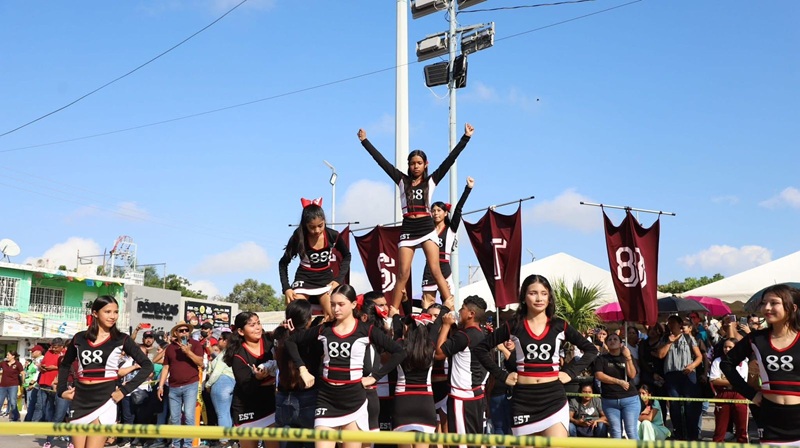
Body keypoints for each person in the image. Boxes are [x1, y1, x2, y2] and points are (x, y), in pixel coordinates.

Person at [358, 123, 475, 311]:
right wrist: (365, 141)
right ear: (408, 165)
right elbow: (382, 162)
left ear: (425, 164)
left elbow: (450, 160)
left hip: (426, 226)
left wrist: (465, 138)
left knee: (436, 270)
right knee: (402, 274)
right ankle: (392, 313)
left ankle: (451, 310)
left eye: (419, 163)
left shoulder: (431, 181)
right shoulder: (401, 180)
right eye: (412, 163)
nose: (416, 166)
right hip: (408, 228)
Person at [474, 275, 598, 437]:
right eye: (533, 293)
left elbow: (591, 350)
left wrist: (570, 373)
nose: (539, 298)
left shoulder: (559, 325)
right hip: (523, 401)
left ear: (549, 298)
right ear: (524, 297)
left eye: (544, 293)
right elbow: (481, 349)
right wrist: (502, 375)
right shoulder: (514, 325)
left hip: (553, 399)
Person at [286, 284, 405, 448]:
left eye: (341, 304)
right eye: (333, 304)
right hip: (326, 399)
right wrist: (302, 369)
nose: (336, 309)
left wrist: (374, 377)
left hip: (354, 400)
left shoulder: (366, 330)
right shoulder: (324, 329)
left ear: (353, 304)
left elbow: (399, 352)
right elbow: (291, 341)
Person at [57, 295, 153, 448]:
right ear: (95, 313)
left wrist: (124, 391)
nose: (113, 316)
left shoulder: (122, 339)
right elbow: (65, 364)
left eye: (116, 312)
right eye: (107, 312)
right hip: (80, 398)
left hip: (106, 398)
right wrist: (61, 390)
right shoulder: (79, 338)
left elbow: (147, 366)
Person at [721, 284, 800, 445]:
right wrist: (751, 394)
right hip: (770, 417)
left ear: (793, 307)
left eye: (774, 303)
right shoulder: (756, 338)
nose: (767, 308)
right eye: (764, 303)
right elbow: (726, 364)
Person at [279, 200, 351, 321]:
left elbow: (347, 256)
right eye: (312, 227)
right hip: (304, 279)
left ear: (324, 222)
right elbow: (283, 263)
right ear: (305, 225)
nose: (317, 230)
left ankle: (321, 332)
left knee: (333, 316)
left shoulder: (333, 235)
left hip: (325, 280)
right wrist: (286, 288)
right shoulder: (298, 237)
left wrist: (338, 280)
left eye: (320, 225)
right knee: (296, 315)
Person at [434, 295, 489, 447]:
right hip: (475, 394)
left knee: (461, 443)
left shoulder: (465, 336)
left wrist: (446, 325)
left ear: (471, 314)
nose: (459, 311)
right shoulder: (481, 334)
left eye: (462, 308)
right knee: (473, 442)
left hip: (462, 397)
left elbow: (438, 353)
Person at [418, 177, 474, 311]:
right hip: (429, 268)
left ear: (445, 213)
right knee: (427, 303)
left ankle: (450, 323)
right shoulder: (428, 230)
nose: (435, 213)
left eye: (439, 210)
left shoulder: (451, 228)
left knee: (449, 302)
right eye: (433, 210)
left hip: (444, 267)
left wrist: (468, 189)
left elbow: (459, 209)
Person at [223, 312, 277, 448]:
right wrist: (257, 378)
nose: (257, 328)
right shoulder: (238, 355)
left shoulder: (269, 342)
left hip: (269, 404)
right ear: (241, 331)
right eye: (252, 325)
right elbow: (246, 387)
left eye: (258, 323)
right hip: (245, 407)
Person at [273, 300, 319, 448]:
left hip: (283, 397)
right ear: (308, 319)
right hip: (309, 396)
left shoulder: (280, 338)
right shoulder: (312, 340)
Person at [393, 312, 441, 444]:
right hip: (426, 402)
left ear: (407, 328)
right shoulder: (430, 347)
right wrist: (445, 307)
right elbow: (436, 327)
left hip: (403, 402)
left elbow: (397, 333)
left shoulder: (399, 345)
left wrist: (396, 316)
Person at [656, 315, 704, 440]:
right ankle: (679, 432)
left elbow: (699, 356)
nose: (670, 325)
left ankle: (692, 433)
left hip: (687, 373)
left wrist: (692, 365)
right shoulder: (665, 338)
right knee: (674, 404)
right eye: (669, 323)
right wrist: (669, 342)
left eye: (673, 322)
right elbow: (660, 355)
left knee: (690, 403)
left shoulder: (688, 337)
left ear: (679, 324)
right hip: (671, 374)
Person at [157, 321, 205, 448]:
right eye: (181, 331)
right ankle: (176, 444)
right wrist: (160, 386)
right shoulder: (170, 348)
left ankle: (188, 445)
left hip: (190, 385)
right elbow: (166, 367)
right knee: (174, 418)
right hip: (173, 387)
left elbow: (201, 363)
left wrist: (188, 352)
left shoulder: (195, 344)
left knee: (189, 416)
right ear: (176, 333)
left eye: (186, 330)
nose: (184, 333)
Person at [593, 333, 639, 440]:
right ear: (606, 343)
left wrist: (628, 357)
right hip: (610, 400)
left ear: (620, 344)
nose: (612, 341)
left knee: (631, 431)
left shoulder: (627, 357)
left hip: (629, 399)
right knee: (615, 431)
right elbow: (599, 375)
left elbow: (632, 375)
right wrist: (619, 382)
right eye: (609, 339)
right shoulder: (601, 359)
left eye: (615, 339)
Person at [709, 338, 748, 443]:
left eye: (730, 347)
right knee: (720, 428)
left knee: (742, 427)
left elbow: (742, 381)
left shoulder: (743, 362)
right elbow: (714, 380)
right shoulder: (717, 361)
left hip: (739, 394)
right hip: (723, 394)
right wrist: (732, 381)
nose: (727, 349)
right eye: (725, 347)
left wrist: (724, 379)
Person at [205, 332, 234, 447]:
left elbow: (216, 372)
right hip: (231, 383)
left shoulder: (224, 354)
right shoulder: (231, 353)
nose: (218, 341)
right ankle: (227, 439)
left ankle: (223, 441)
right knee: (226, 413)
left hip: (221, 383)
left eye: (220, 339)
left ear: (226, 341)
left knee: (222, 414)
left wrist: (208, 385)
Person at [0, 351, 24, 421]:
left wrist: (23, 382)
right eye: (6, 355)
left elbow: (22, 373)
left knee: (13, 401)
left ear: (13, 356)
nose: (6, 356)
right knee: (0, 401)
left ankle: (16, 417)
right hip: (3, 385)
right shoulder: (3, 363)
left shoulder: (18, 364)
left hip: (13, 385)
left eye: (8, 355)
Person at [23, 345, 44, 422]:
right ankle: (29, 420)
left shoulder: (41, 359)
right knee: (31, 404)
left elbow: (38, 372)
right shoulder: (35, 360)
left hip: (36, 385)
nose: (31, 353)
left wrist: (33, 383)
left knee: (35, 404)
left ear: (39, 352)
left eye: (33, 351)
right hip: (33, 385)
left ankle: (32, 421)